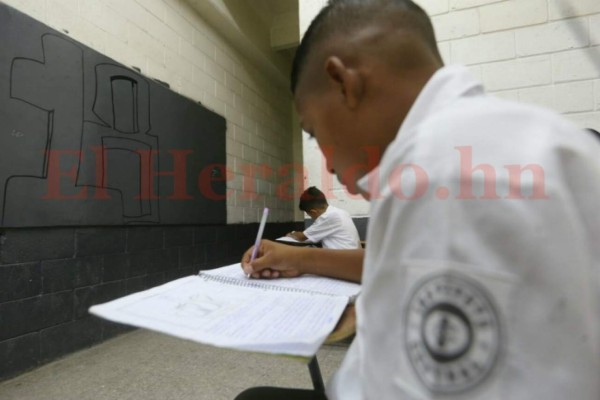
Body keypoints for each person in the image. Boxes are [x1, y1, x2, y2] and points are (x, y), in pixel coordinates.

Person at [237, 0, 600, 399]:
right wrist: (298, 257)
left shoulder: (436, 174)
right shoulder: (545, 139)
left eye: (312, 131)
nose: (325, 157)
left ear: (344, 83)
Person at [285, 186, 361, 249]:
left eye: (309, 214)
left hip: (342, 261)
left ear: (314, 211)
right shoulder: (341, 212)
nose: (311, 217)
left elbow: (302, 237)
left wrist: (292, 234)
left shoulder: (327, 217)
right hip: (353, 257)